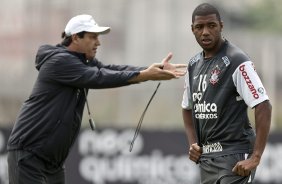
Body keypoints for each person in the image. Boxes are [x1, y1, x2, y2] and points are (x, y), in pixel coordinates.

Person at [7, 14, 186, 184]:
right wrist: (145, 75)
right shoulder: (60, 61)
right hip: (29, 154)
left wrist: (152, 69)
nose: (98, 42)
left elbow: (112, 69)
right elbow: (100, 77)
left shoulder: (82, 61)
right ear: (76, 37)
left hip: (52, 160)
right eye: (93, 37)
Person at [181, 3, 272, 184]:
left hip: (235, 156)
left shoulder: (237, 61)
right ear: (192, 30)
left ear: (221, 26)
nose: (205, 32)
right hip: (207, 159)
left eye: (211, 25)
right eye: (199, 27)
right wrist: (193, 143)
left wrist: (255, 157)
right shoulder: (193, 65)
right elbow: (187, 108)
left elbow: (263, 104)